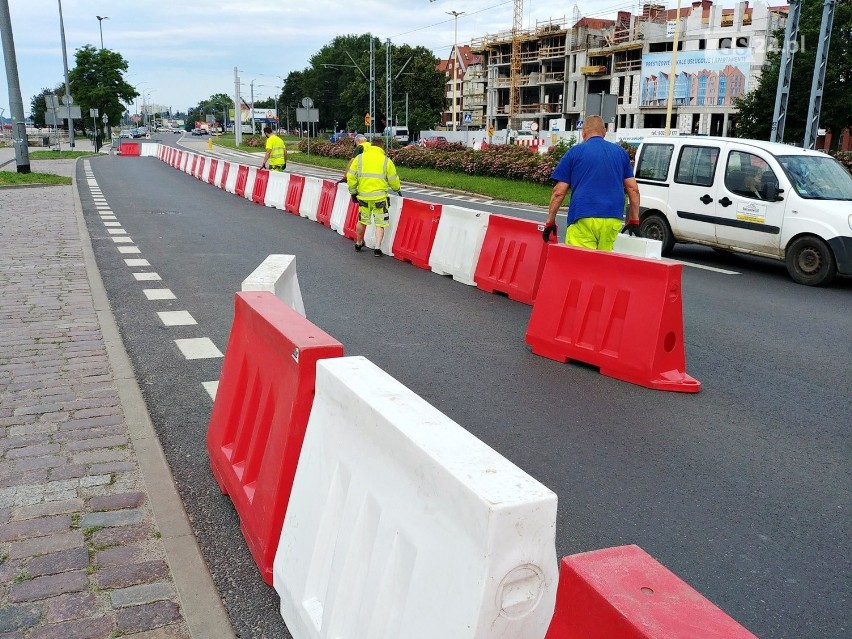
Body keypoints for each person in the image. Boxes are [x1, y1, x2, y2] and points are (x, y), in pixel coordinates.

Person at [543, 115, 641, 250]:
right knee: (603, 265)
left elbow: (559, 192)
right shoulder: (620, 153)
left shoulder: (574, 152)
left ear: (583, 132)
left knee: (580, 265)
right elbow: (633, 189)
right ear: (605, 131)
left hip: (583, 217)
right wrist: (634, 220)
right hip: (612, 218)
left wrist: (550, 222)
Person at [347, 133, 401, 257]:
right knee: (380, 223)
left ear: (371, 146)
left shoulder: (359, 158)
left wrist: (353, 192)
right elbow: (393, 179)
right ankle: (377, 248)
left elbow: (351, 176)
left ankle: (359, 242)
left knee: (362, 221)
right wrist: (397, 189)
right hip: (380, 198)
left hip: (364, 197)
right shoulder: (386, 161)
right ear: (382, 148)